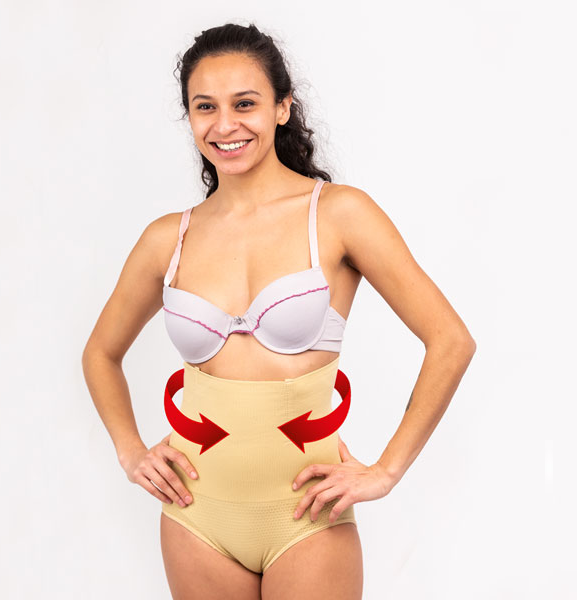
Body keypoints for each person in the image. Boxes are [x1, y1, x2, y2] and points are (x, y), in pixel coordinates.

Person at [82, 22, 476, 600]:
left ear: (282, 107)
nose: (225, 124)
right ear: (189, 117)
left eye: (245, 103)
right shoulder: (169, 237)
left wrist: (387, 471)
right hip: (195, 513)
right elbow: (100, 352)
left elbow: (451, 340)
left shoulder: (339, 214)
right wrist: (130, 451)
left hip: (307, 514)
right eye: (205, 107)